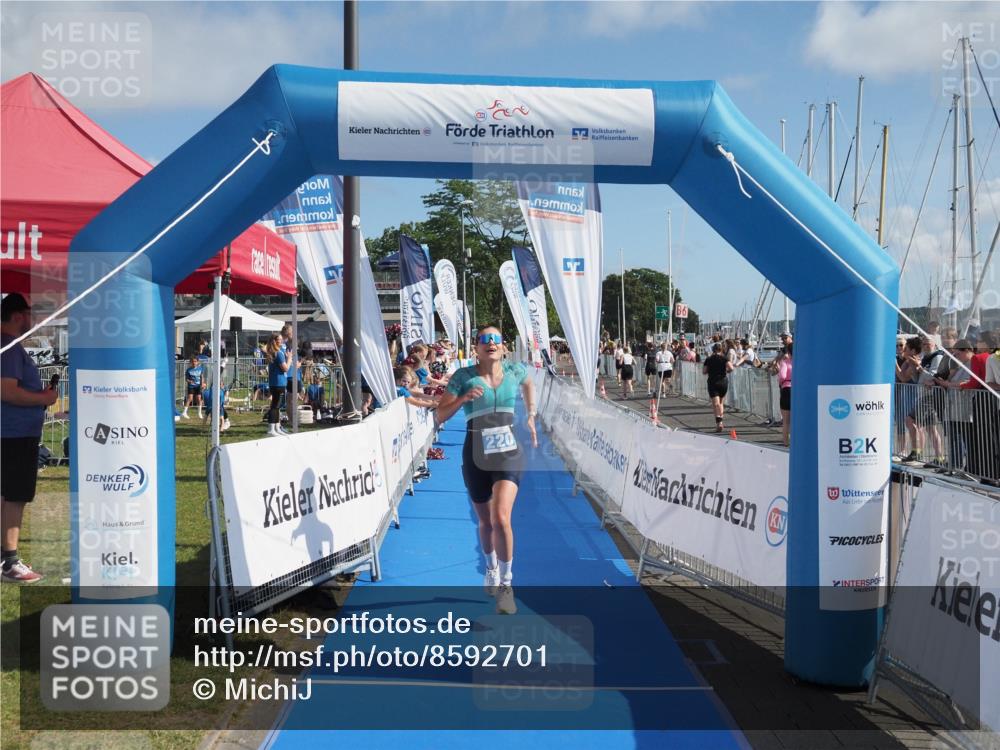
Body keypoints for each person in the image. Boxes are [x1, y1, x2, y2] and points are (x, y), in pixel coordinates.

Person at [434, 325, 538, 615]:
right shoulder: (463, 377)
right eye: (484, 339)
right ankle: (491, 567)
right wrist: (462, 399)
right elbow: (440, 415)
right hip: (476, 453)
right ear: (476, 347)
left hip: (508, 453)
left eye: (496, 339)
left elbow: (529, 383)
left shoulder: (515, 370)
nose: (491, 343)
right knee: (486, 523)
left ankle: (507, 585)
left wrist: (531, 414)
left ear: (503, 346)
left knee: (501, 517)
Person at [0, 294, 57, 583]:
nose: (33, 322)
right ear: (19, 315)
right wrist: (43, 398)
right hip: (14, 433)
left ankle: (5, 558)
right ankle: (10, 562)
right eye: (30, 315)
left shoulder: (8, 347)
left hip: (12, 433)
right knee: (15, 496)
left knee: (7, 495)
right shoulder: (8, 348)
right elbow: (6, 391)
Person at [703, 342, 733, 433]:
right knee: (721, 402)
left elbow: (704, 371)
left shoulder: (709, 359)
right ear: (721, 349)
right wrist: (725, 371)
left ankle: (719, 423)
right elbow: (731, 368)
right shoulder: (724, 358)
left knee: (716, 404)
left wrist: (711, 370)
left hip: (713, 381)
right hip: (723, 381)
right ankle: (721, 420)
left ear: (713, 350)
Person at [265, 334, 289, 436]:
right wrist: (290, 359)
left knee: (276, 406)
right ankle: (271, 428)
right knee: (275, 406)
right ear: (275, 341)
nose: (281, 341)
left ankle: (276, 427)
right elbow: (285, 368)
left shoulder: (274, 352)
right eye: (279, 339)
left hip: (276, 382)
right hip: (278, 383)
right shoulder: (278, 353)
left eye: (281, 339)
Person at [775, 342, 792, 447]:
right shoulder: (801, 362)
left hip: (787, 389)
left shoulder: (785, 362)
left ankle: (786, 443)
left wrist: (781, 383)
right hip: (799, 391)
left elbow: (782, 376)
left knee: (786, 421)